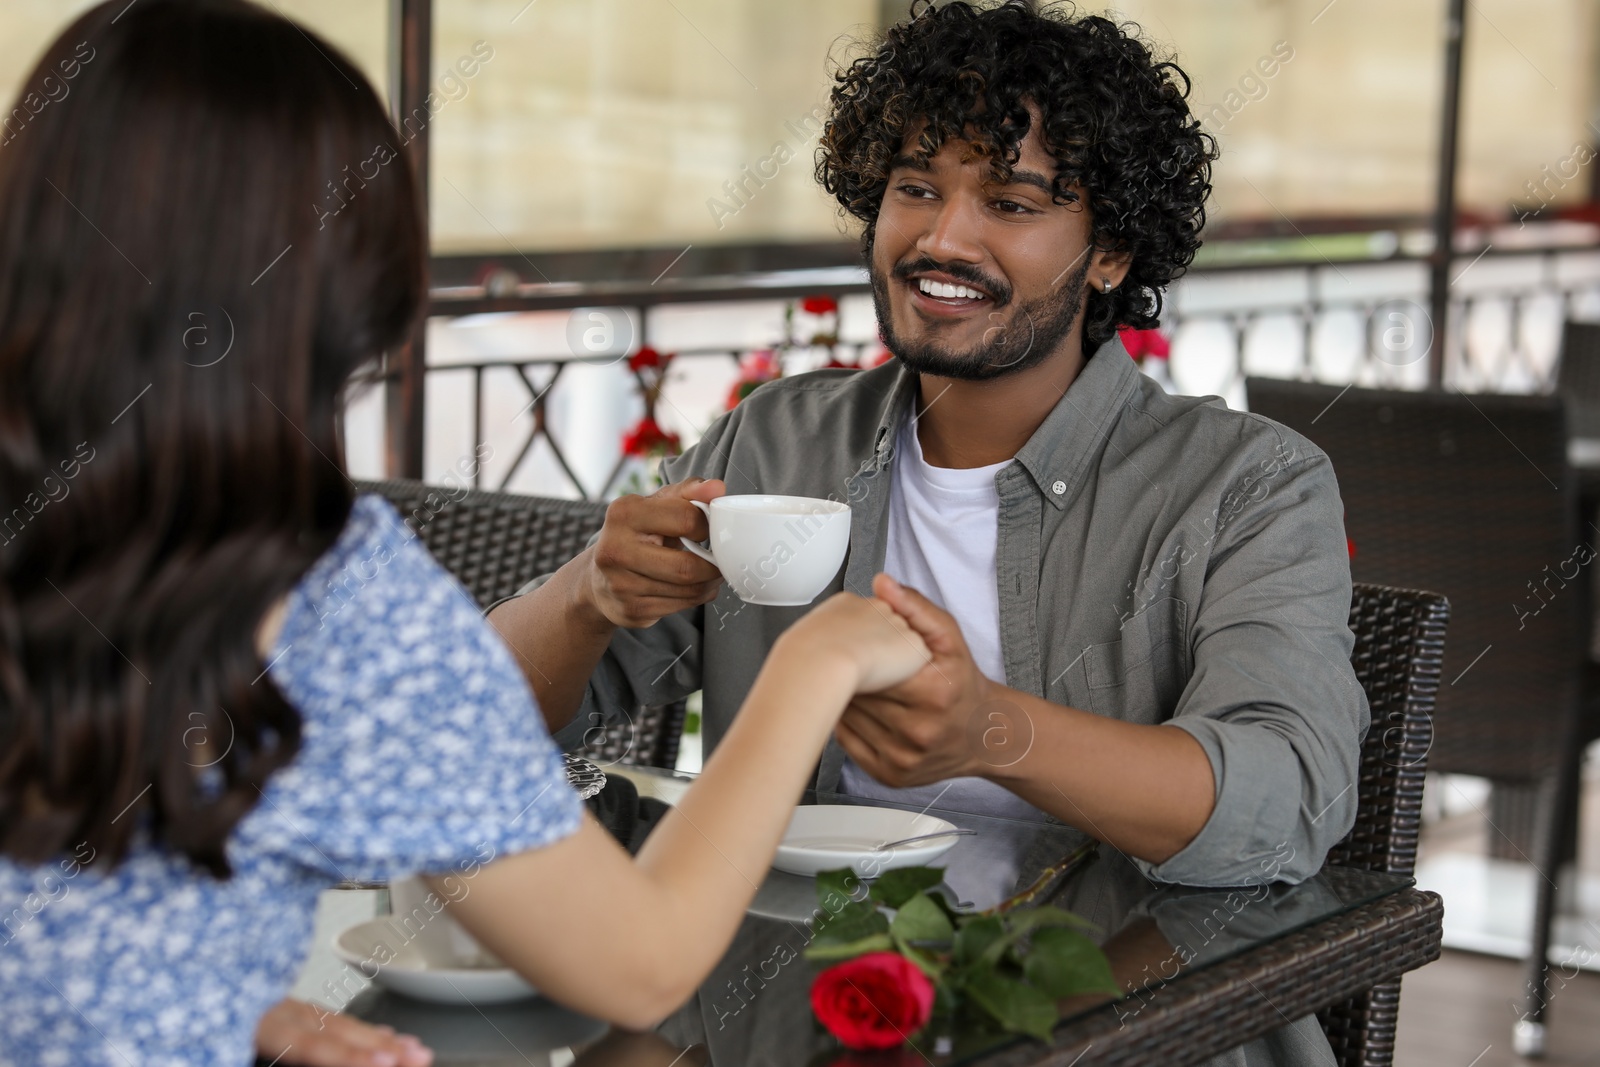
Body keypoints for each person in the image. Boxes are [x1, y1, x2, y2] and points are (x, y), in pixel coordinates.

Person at [0, 3, 930, 1066]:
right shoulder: (326, 593)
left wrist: (199, 993)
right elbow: (643, 961)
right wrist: (820, 658)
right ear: (344, 283)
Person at [488, 3, 1365, 1063]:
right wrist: (589, 593)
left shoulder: (1245, 484)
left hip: (1114, 1010)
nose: (941, 237)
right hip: (793, 1001)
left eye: (1009, 200)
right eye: (915, 188)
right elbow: (479, 728)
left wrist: (990, 729)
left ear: (1108, 254)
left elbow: (1288, 796)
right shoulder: (777, 439)